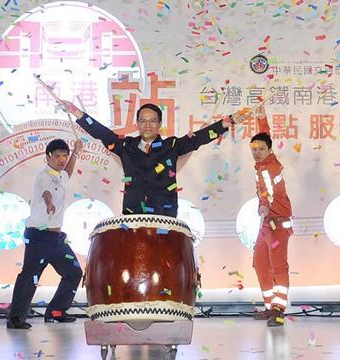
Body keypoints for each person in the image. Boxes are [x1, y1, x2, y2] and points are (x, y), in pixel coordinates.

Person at [60, 101, 247, 217]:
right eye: (143, 120)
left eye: (152, 121)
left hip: (164, 217)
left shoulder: (171, 146)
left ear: (159, 124)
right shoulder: (127, 146)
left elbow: (200, 138)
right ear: (137, 123)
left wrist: (229, 121)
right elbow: (101, 132)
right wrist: (76, 111)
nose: (147, 125)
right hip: (132, 217)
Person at [7, 138, 83, 329]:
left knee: (74, 272)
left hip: (56, 239)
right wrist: (49, 203)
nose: (61, 160)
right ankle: (16, 318)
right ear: (47, 157)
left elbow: (68, 173)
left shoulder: (59, 174)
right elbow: (46, 192)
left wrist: (75, 153)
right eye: (57, 156)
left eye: (64, 156)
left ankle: (56, 312)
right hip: (39, 237)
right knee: (29, 277)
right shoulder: (44, 176)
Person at [250, 106, 293, 327]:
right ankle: (269, 306)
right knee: (259, 263)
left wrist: (264, 206)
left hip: (278, 223)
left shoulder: (269, 168)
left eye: (260, 149)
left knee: (278, 266)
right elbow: (265, 135)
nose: (256, 151)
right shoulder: (265, 161)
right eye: (253, 148)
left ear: (269, 151)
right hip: (267, 223)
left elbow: (267, 190)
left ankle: (278, 309)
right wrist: (261, 116)